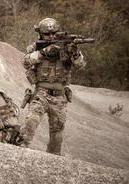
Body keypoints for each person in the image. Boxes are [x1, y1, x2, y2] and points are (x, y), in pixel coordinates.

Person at [20, 18, 86, 155]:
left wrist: (74, 52)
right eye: (47, 34)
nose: (51, 36)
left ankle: (53, 161)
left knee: (57, 135)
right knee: (31, 122)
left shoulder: (68, 48)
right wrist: (44, 52)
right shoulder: (35, 47)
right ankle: (19, 151)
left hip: (59, 97)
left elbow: (81, 65)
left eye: (54, 33)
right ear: (41, 35)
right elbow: (25, 62)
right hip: (41, 93)